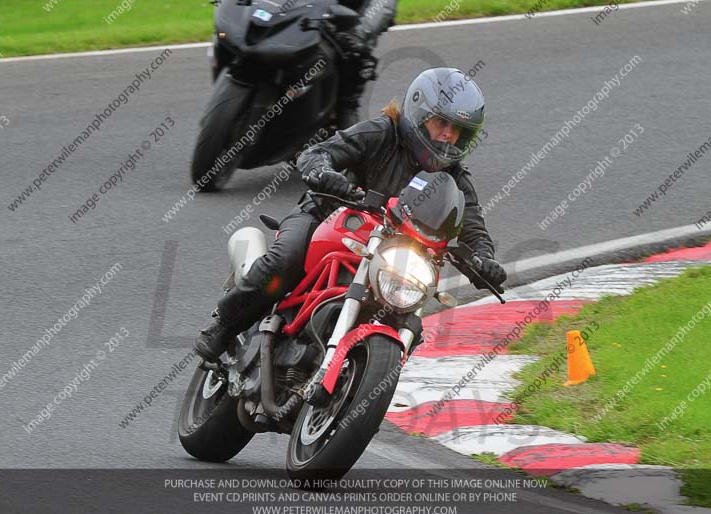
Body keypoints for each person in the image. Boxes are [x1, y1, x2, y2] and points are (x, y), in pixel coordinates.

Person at [194, 67, 507, 364]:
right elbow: (319, 153)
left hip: (392, 256)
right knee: (283, 261)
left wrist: (485, 261)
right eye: (442, 123)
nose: (448, 136)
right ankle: (224, 326)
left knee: (411, 320)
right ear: (420, 114)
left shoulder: (456, 180)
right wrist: (322, 171)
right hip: (328, 219)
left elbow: (475, 230)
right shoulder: (381, 133)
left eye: (458, 131)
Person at [330, 0, 396, 129]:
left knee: (346, 101)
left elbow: (383, 5)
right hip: (313, 32)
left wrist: (357, 35)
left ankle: (348, 143)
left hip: (351, 44)